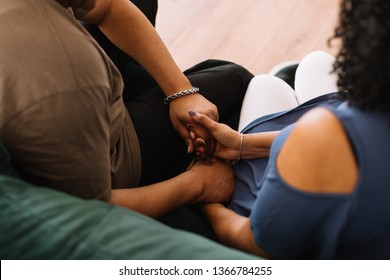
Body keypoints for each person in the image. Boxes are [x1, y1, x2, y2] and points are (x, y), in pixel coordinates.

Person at [0, 0, 253, 225]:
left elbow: (109, 6)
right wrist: (197, 185)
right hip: (100, 157)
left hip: (62, 98)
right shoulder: (74, 70)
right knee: (234, 79)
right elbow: (88, 210)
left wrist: (181, 91)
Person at [187, 0, 390, 259]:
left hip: (284, 241)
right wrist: (242, 144)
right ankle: (289, 90)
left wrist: (207, 200)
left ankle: (284, 89)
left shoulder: (326, 136)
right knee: (315, 63)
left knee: (264, 85)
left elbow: (255, 243)